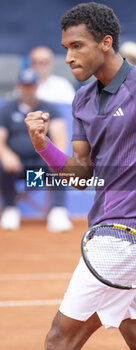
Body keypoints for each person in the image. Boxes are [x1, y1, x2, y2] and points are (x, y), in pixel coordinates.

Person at [25, 3, 136, 349]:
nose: (68, 57)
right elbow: (81, 174)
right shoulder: (82, 100)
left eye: (77, 46)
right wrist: (43, 145)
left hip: (123, 240)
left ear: (105, 43)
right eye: (65, 48)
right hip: (122, 238)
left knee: (59, 339)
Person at [0, 68, 73, 232]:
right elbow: (0, 139)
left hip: (41, 167)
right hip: (16, 167)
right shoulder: (6, 110)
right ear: (18, 86)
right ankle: (10, 209)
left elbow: (60, 136)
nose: (27, 89)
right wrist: (6, 155)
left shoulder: (49, 109)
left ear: (36, 86)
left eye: (31, 85)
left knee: (60, 165)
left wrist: (57, 159)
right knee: (2, 164)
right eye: (24, 85)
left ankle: (58, 211)